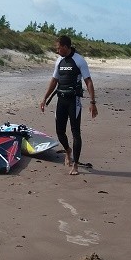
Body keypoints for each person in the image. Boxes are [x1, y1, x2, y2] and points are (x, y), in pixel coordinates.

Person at [39, 35, 98, 175]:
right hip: (61, 100)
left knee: (75, 133)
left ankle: (76, 165)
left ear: (66, 47)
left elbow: (88, 81)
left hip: (74, 101)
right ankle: (67, 150)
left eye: (58, 48)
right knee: (60, 131)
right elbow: (54, 81)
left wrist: (92, 102)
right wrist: (44, 99)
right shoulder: (59, 61)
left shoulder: (79, 61)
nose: (57, 50)